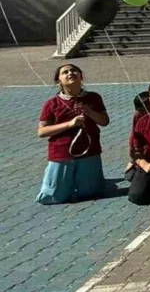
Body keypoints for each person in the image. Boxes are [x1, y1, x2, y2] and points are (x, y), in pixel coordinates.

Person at [36, 64, 109, 204]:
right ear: (59, 80)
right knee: (54, 197)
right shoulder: (52, 103)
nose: (70, 73)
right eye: (65, 72)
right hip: (62, 153)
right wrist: (69, 124)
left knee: (91, 193)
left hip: (89, 151)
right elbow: (42, 131)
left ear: (81, 76)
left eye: (74, 70)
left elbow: (104, 121)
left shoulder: (94, 98)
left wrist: (89, 112)